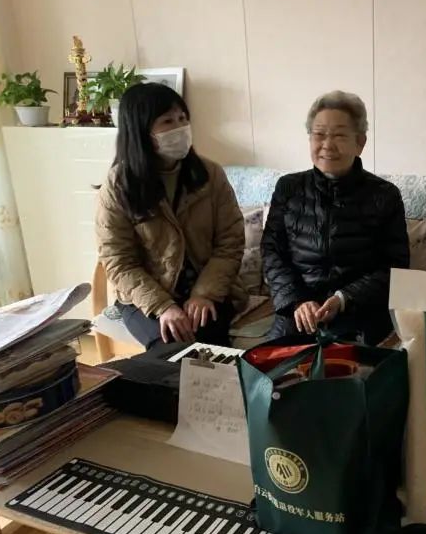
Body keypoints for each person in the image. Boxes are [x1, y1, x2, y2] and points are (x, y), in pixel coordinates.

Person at [95, 83, 245, 349]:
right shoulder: (119, 186)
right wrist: (163, 306)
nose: (180, 128)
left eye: (183, 118)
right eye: (167, 121)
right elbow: (118, 261)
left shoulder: (210, 175)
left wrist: (205, 294)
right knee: (170, 347)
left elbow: (230, 243)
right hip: (145, 298)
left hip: (207, 290)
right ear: (141, 130)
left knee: (210, 346)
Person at [261, 90, 409, 345]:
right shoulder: (289, 188)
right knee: (266, 367)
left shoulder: (384, 195)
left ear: (360, 142)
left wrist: (343, 298)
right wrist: (297, 301)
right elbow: (272, 251)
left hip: (360, 314)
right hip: (298, 314)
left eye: (339, 135)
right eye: (319, 134)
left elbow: (395, 267)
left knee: (351, 366)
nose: (327, 145)